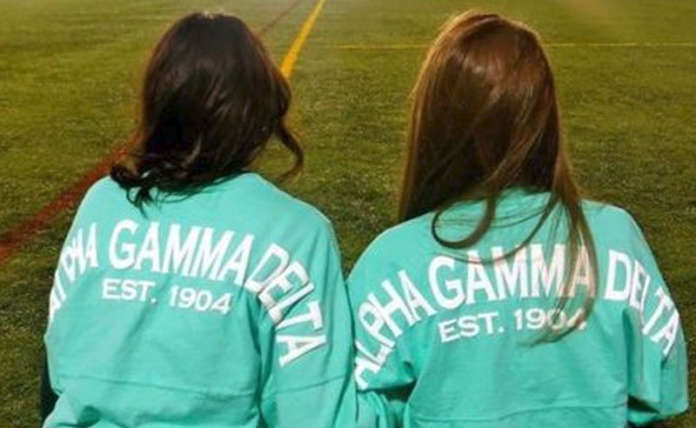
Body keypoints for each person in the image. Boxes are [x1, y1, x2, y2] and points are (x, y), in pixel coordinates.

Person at [349, 11, 688, 428]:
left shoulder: (393, 260)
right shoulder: (616, 239)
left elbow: (351, 412)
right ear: (544, 118)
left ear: (433, 121)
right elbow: (661, 391)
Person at [42, 12, 355, 427]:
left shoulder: (102, 204)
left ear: (158, 101)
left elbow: (59, 359)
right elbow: (316, 413)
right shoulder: (297, 233)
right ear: (258, 109)